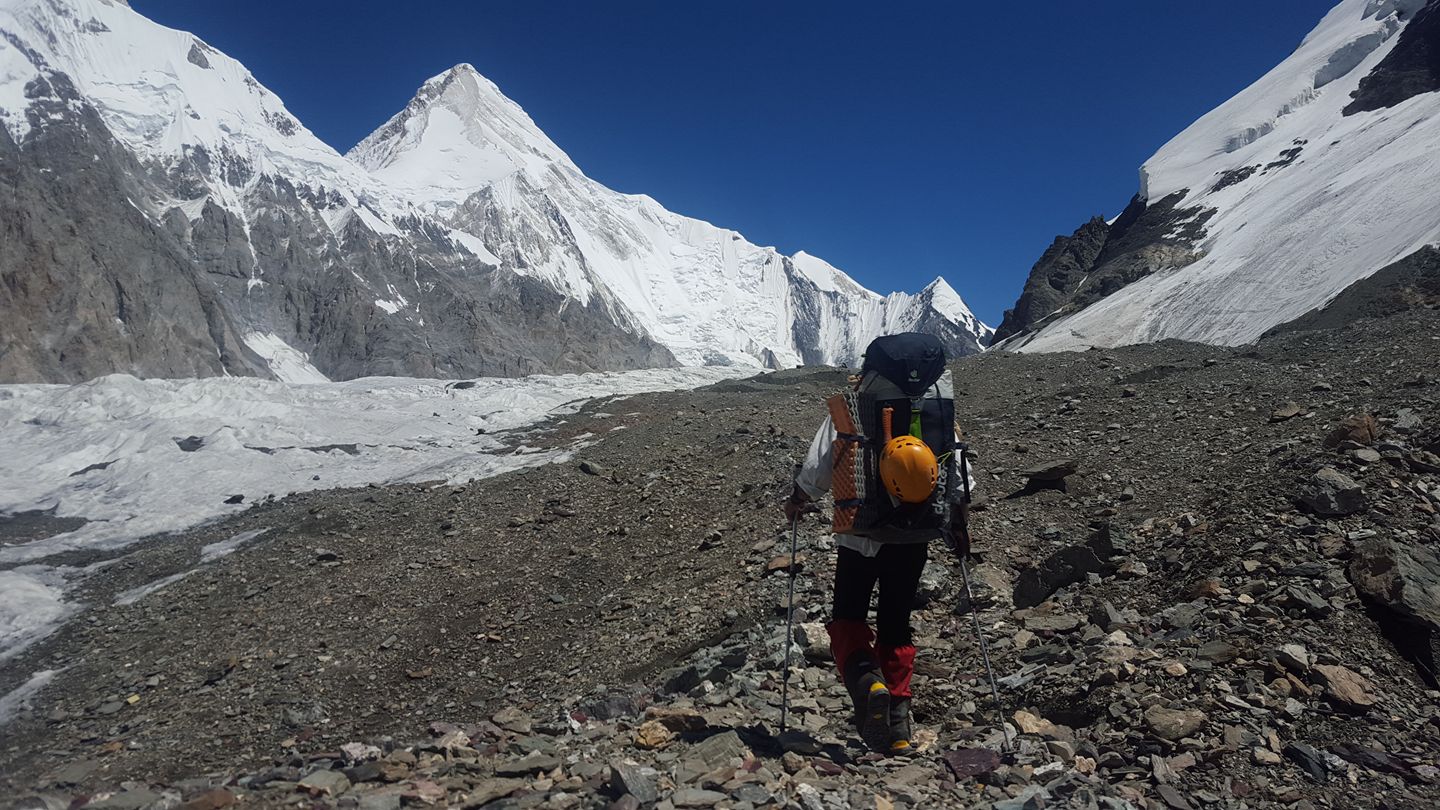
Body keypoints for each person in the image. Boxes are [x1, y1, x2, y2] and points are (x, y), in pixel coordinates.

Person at [783, 333, 974, 755]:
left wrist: (798, 499)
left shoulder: (853, 408)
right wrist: (958, 522)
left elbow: (819, 463)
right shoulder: (938, 408)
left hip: (859, 529)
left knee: (847, 618)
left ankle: (867, 681)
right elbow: (958, 468)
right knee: (896, 622)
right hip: (917, 529)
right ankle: (900, 727)